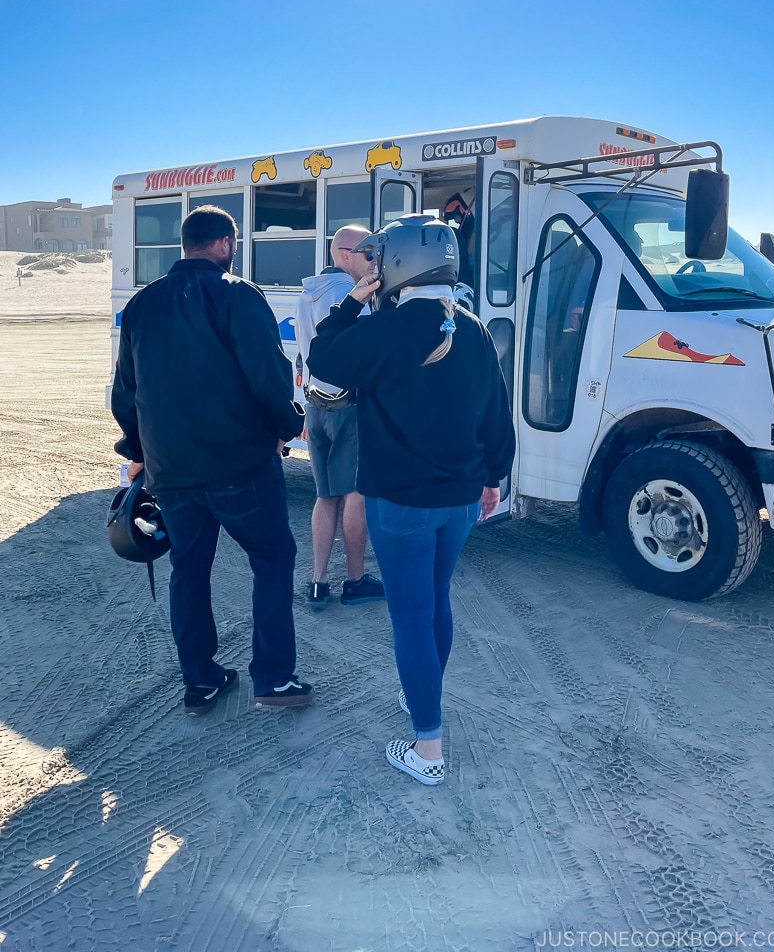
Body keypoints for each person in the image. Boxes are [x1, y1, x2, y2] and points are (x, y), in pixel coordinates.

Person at [307, 214, 515, 786]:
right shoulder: (471, 325)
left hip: (400, 502)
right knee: (435, 601)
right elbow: (496, 417)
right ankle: (422, 694)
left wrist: (353, 301)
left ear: (397, 264)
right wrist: (494, 477)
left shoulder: (389, 328)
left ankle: (427, 748)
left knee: (410, 615)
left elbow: (323, 356)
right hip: (460, 500)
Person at [111, 205, 312, 716]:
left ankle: (200, 682)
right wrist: (291, 425)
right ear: (225, 243)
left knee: (188, 569)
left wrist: (139, 452)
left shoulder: (140, 306)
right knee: (271, 560)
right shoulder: (236, 294)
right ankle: (272, 678)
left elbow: (125, 394)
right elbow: (267, 373)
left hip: (171, 473)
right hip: (239, 466)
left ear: (185, 244)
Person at [294, 226, 386, 610]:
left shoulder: (307, 292)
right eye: (368, 253)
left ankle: (317, 581)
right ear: (344, 254)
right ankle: (354, 580)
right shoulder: (348, 296)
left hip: (315, 406)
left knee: (324, 496)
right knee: (354, 495)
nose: (374, 261)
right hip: (348, 407)